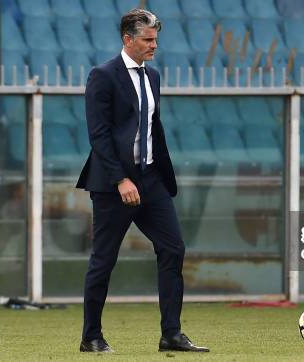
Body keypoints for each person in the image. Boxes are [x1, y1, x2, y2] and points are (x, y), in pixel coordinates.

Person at [76, 9, 209, 353]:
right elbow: (99, 134)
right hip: (113, 184)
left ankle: (172, 334)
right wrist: (120, 178)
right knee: (104, 259)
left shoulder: (153, 77)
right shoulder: (102, 76)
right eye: (148, 40)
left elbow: (152, 127)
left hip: (150, 180)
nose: (154, 46)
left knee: (173, 248)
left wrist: (156, 171)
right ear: (128, 39)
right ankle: (91, 336)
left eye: (155, 40)